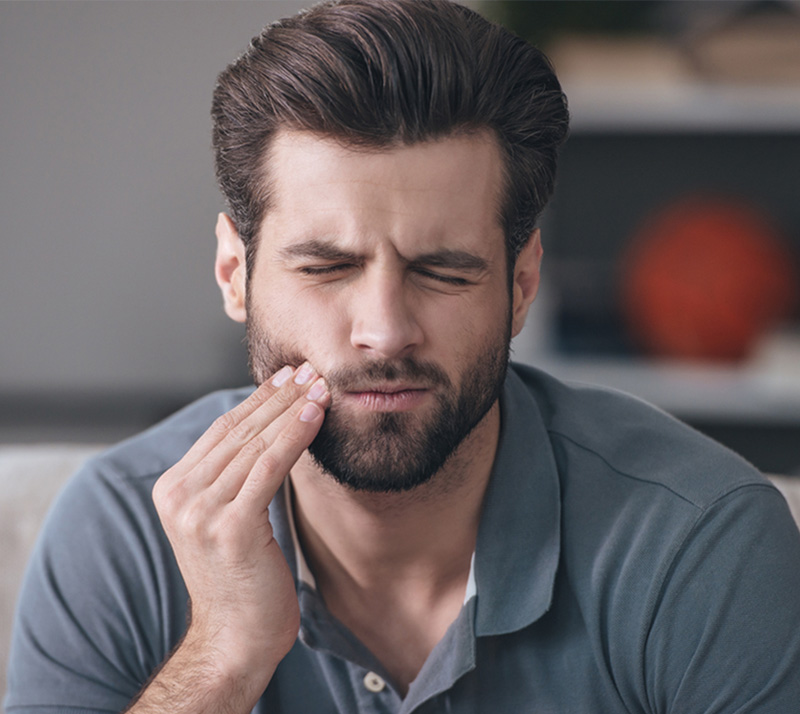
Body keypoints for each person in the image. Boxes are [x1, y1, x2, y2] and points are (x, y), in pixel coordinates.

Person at [6, 0, 800, 711]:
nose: (385, 332)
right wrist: (221, 660)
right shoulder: (119, 531)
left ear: (522, 285)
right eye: (326, 267)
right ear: (233, 274)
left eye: (443, 272)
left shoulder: (698, 542)